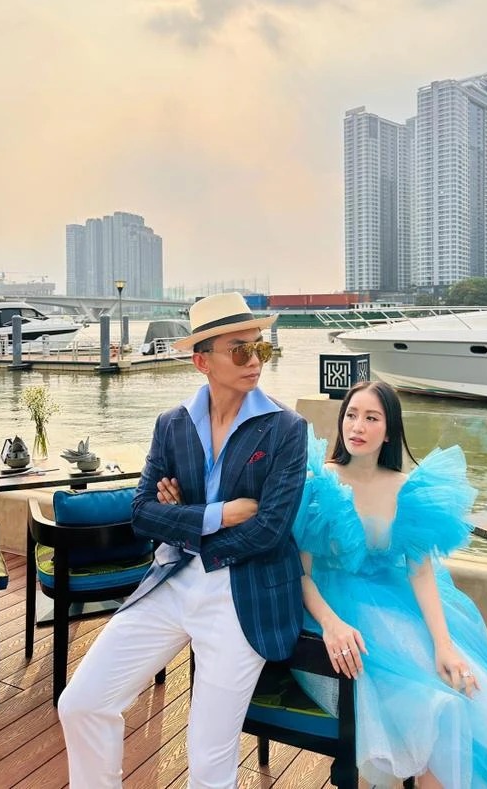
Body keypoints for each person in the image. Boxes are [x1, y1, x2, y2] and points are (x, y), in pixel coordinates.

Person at [58, 292, 308, 789]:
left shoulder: (286, 429)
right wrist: (218, 514)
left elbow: (270, 529)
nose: (255, 360)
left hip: (245, 592)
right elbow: (141, 513)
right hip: (172, 579)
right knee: (82, 703)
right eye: (240, 350)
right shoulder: (171, 425)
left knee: (208, 754)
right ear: (202, 361)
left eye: (260, 348)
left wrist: (183, 521)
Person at [293, 380, 487, 789]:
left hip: (396, 603)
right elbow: (301, 575)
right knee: (433, 707)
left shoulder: (405, 488)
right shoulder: (320, 482)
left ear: (389, 431)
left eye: (372, 418)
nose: (357, 426)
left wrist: (443, 644)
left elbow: (420, 572)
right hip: (336, 614)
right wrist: (331, 623)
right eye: (352, 415)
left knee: (463, 682)